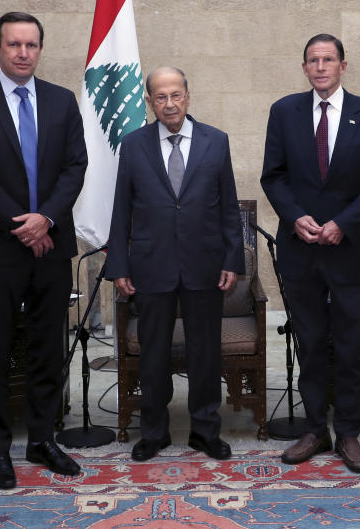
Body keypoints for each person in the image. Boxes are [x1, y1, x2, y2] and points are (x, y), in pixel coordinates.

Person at [0, 12, 88, 489]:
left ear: (40, 49)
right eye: (13, 44)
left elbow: (75, 166)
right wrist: (22, 226)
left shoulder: (63, 101)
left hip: (51, 246)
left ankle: (42, 439)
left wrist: (46, 218)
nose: (23, 53)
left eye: (31, 45)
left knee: (49, 348)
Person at [261, 34, 360, 473]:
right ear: (304, 68)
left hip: (351, 249)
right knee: (310, 343)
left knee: (349, 342)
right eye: (312, 61)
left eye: (328, 60)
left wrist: (346, 222)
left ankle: (349, 432)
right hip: (301, 250)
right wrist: (295, 216)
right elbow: (274, 176)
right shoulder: (284, 112)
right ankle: (314, 428)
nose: (320, 67)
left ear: (343, 65)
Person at [106, 66, 245, 462]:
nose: (170, 104)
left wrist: (232, 259)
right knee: (153, 354)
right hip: (151, 266)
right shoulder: (133, 146)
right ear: (150, 102)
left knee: (205, 352)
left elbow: (228, 208)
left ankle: (205, 430)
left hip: (205, 264)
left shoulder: (216, 141)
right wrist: (119, 266)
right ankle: (153, 432)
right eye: (161, 97)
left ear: (188, 95)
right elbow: (121, 213)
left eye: (176, 95)